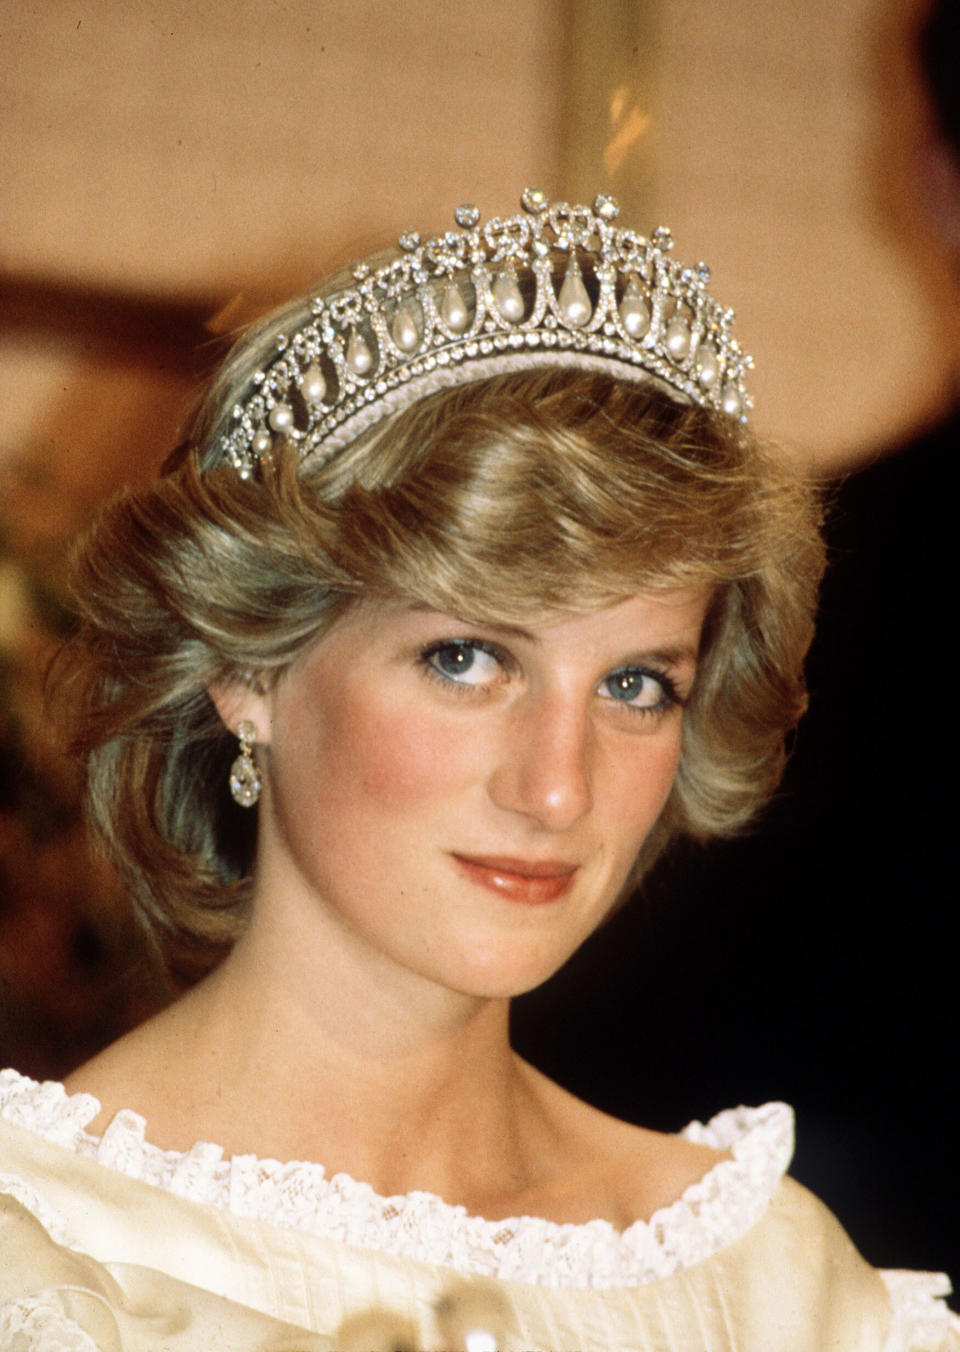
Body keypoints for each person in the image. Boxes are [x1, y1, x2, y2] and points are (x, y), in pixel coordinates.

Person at [0, 190, 955, 1350]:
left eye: (635, 684)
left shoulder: (784, 1289)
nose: (558, 789)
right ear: (251, 667)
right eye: (468, 658)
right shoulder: (44, 1255)